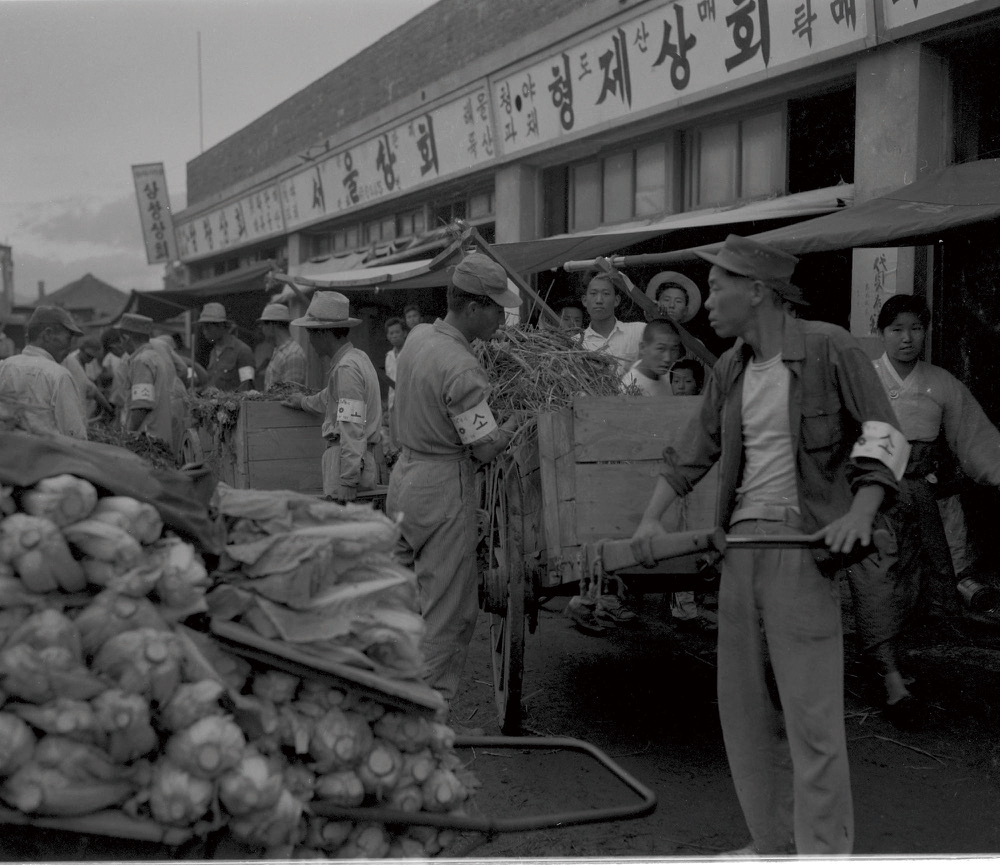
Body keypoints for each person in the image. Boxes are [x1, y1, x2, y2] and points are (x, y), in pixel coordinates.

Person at [630, 235, 908, 856]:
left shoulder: (830, 348)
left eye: (720, 287)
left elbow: (884, 434)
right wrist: (651, 522)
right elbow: (693, 450)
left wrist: (860, 513)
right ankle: (774, 844)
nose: (708, 303)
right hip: (740, 555)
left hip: (799, 552)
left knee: (811, 719)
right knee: (747, 714)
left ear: (757, 290)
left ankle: (823, 851)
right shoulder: (730, 367)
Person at [386, 252, 520, 708]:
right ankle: (422, 723)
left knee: (404, 602)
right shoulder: (462, 368)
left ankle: (390, 699)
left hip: (405, 476)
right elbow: (483, 446)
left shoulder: (419, 338)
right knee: (448, 615)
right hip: (444, 485)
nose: (503, 318)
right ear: (473, 308)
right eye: (497, 308)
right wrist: (515, 427)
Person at [873, 294, 1000, 615]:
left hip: (928, 490)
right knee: (879, 580)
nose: (907, 338)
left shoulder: (942, 382)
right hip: (876, 489)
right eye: (896, 329)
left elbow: (974, 437)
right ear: (881, 333)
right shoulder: (864, 377)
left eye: (916, 328)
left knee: (943, 577)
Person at [281, 292, 382, 502]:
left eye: (311, 334)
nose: (310, 341)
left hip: (348, 464)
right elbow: (329, 397)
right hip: (356, 460)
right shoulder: (356, 359)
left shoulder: (346, 369)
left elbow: (352, 425)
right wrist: (302, 402)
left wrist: (348, 479)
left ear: (323, 332)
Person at [0, 306, 87, 439]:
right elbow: (75, 436)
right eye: (68, 339)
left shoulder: (4, 367)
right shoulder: (59, 375)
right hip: (46, 457)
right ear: (47, 335)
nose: (70, 348)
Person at [117, 314, 178, 454]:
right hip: (159, 439)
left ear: (126, 338)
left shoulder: (141, 361)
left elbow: (141, 406)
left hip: (146, 441)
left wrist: (127, 436)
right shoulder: (155, 357)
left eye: (121, 340)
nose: (121, 345)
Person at [580, 272, 646, 374]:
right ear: (584, 300)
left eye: (606, 294)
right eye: (593, 294)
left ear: (616, 300)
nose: (599, 300)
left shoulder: (639, 331)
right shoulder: (576, 344)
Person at [194, 303, 255, 392]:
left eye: (208, 327)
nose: (204, 331)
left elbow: (247, 387)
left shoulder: (243, 351)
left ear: (221, 326)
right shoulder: (213, 352)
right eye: (202, 327)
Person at [620, 319, 683, 396]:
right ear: (643, 348)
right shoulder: (630, 388)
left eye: (673, 349)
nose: (668, 358)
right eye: (661, 349)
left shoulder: (669, 374)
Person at [257, 303, 306, 391]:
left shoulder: (293, 355)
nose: (262, 329)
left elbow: (289, 396)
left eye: (264, 324)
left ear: (272, 325)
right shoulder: (280, 351)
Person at [63, 334, 112, 419]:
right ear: (81, 350)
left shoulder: (91, 362)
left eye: (93, 357)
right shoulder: (71, 362)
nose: (90, 359)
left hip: (87, 406)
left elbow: (95, 381)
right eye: (89, 356)